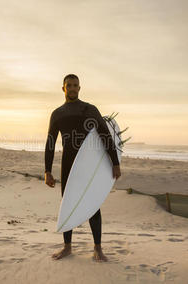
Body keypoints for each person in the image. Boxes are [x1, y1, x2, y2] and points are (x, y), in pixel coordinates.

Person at [44, 74, 121, 262]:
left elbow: (104, 135)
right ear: (63, 88)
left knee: (93, 204)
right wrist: (47, 170)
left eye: (75, 85)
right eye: (68, 85)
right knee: (67, 202)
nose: (72, 88)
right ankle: (67, 247)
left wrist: (115, 162)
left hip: (88, 164)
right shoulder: (57, 114)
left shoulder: (90, 110)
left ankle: (98, 248)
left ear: (80, 88)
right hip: (69, 164)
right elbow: (51, 143)